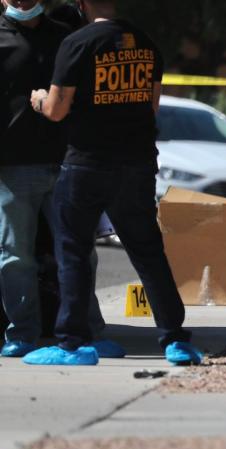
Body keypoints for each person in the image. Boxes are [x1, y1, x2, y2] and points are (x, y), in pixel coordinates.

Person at [27, 0, 202, 366]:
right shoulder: (145, 43)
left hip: (87, 164)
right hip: (137, 164)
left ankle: (73, 344)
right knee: (147, 251)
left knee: (72, 251)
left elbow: (58, 110)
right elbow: (151, 107)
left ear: (81, 3)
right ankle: (176, 340)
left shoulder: (77, 43)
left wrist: (40, 100)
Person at [0, 0, 111, 358]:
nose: (21, 2)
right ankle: (22, 334)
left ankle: (90, 332)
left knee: (79, 254)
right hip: (12, 167)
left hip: (66, 163)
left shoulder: (66, 38)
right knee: (15, 257)